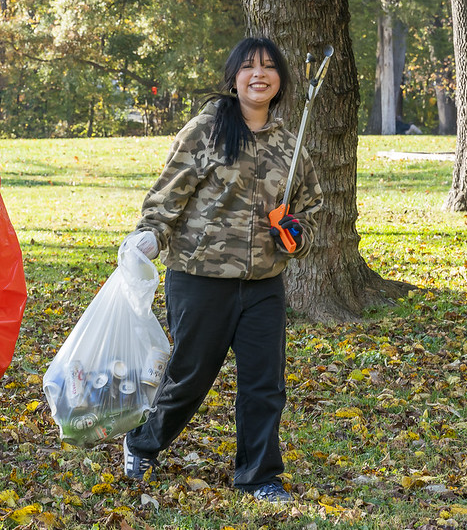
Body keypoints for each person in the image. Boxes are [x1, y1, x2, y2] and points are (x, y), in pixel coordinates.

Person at [120, 37, 323, 503]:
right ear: (234, 76)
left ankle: (258, 476)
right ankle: (142, 442)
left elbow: (311, 208)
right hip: (200, 278)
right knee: (189, 376)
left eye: (270, 67)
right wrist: (151, 234)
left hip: (264, 284)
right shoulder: (207, 129)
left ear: (280, 81)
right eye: (249, 66)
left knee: (264, 384)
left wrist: (297, 232)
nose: (259, 74)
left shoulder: (290, 145)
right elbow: (166, 197)